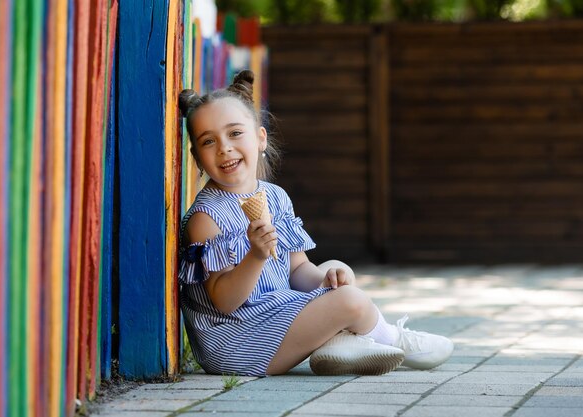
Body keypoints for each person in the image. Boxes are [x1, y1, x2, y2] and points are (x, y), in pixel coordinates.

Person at [177, 70, 454, 377]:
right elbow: (226, 301)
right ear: (198, 158)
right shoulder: (205, 218)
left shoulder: (275, 197)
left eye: (235, 133)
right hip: (238, 342)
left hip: (272, 317)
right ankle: (393, 340)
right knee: (349, 300)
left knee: (337, 271)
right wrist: (255, 256)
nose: (224, 148)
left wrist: (326, 282)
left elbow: (297, 270)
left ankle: (338, 345)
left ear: (260, 138)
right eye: (208, 141)